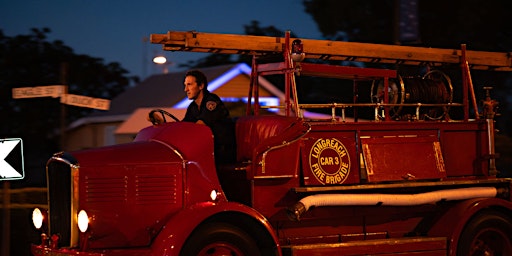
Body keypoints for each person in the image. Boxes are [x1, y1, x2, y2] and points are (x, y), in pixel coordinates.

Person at [149, 70, 236, 164]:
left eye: (189, 84)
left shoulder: (212, 102)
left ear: (201, 86)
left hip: (221, 151)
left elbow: (199, 126)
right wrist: (163, 124)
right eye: (185, 85)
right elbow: (183, 126)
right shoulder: (193, 107)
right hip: (209, 150)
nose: (185, 89)